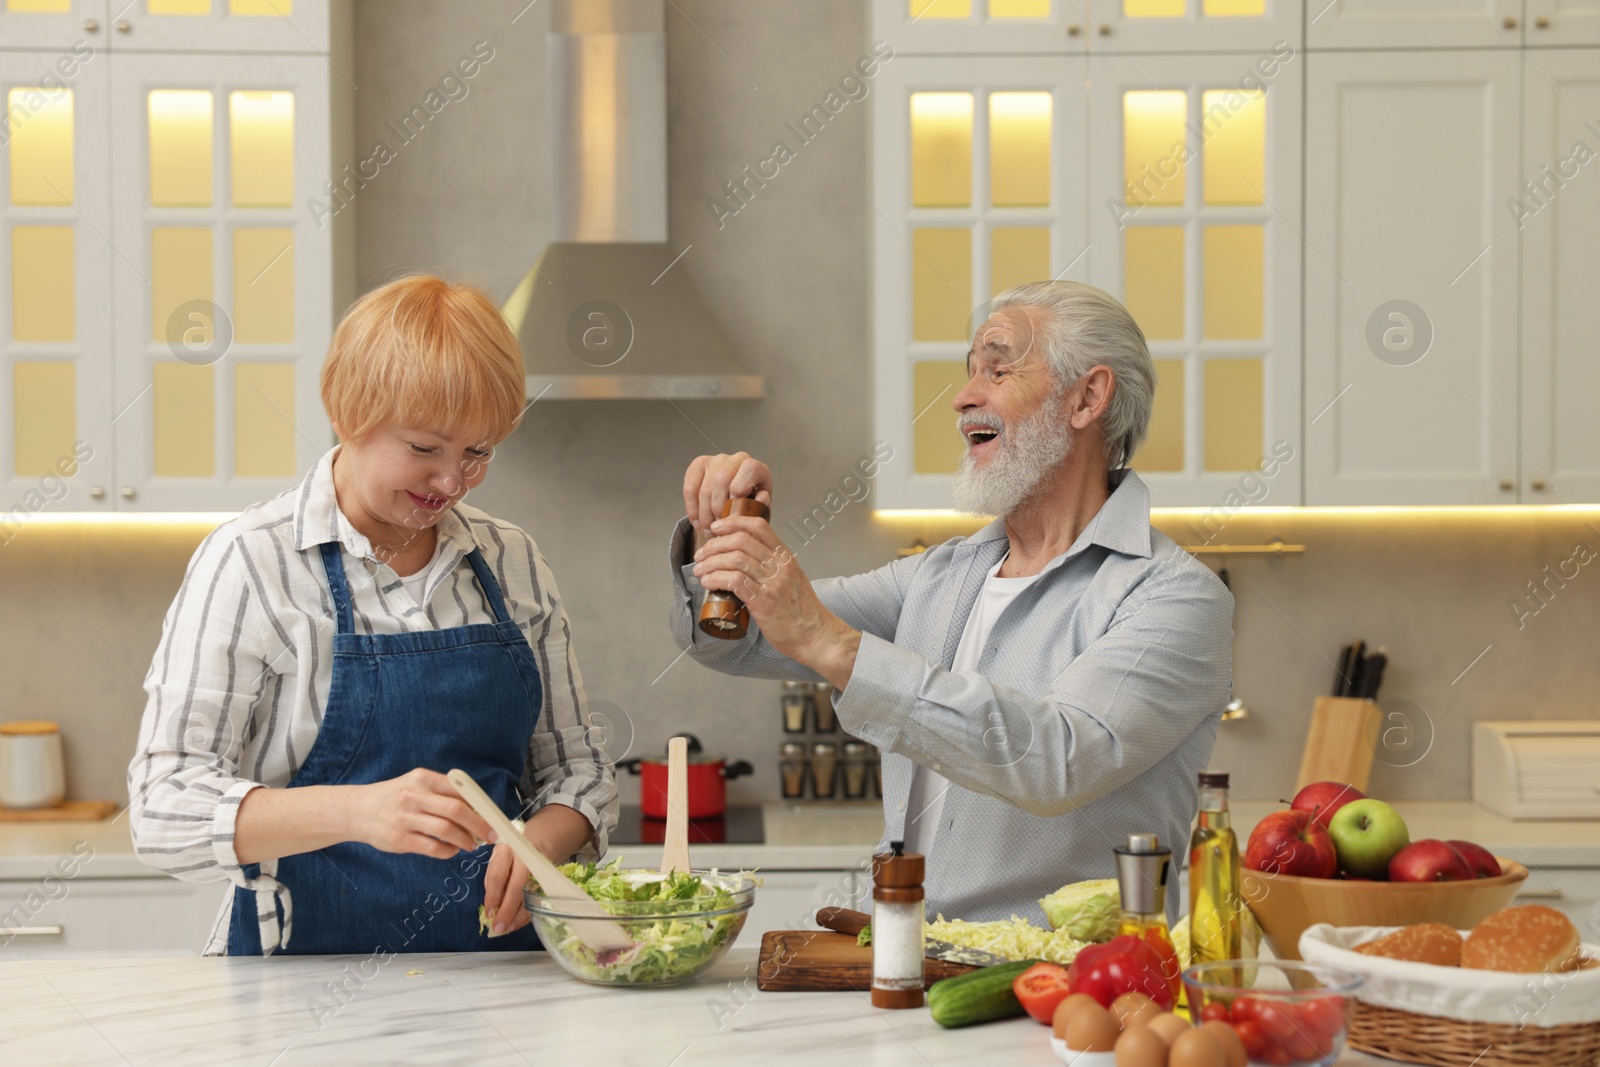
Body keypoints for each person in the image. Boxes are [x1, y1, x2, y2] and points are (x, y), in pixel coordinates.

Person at [668, 280, 1232, 924]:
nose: (964, 398)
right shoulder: (938, 576)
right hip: (898, 952)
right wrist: (721, 547)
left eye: (997, 369)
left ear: (1088, 397)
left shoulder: (1174, 597)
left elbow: (1059, 761)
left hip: (1063, 986)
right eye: (968, 373)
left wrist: (832, 644)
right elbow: (736, 644)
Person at [128, 275, 617, 955]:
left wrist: (543, 840)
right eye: (424, 448)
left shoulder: (512, 561)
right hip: (299, 989)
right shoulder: (250, 563)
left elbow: (580, 772)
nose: (451, 482)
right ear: (345, 410)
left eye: (477, 452)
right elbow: (161, 808)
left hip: (507, 987)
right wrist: (357, 810)